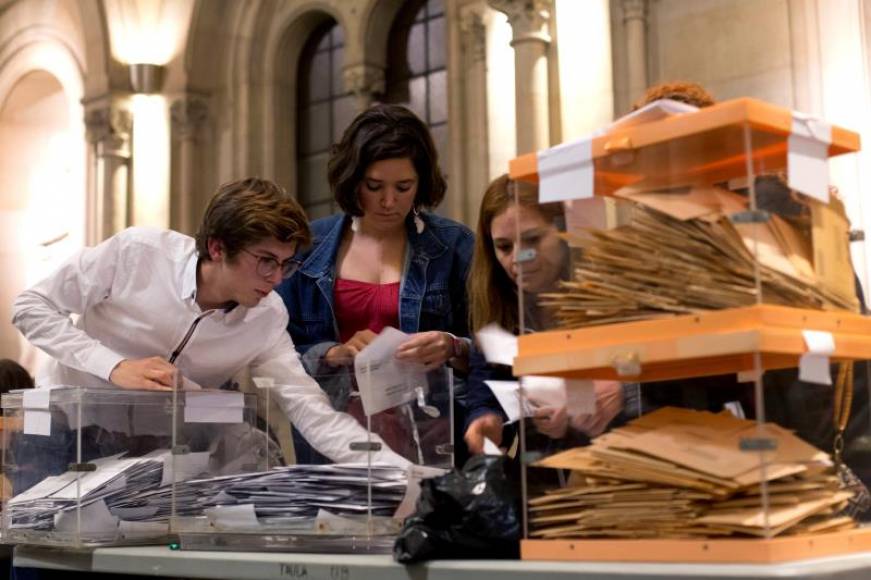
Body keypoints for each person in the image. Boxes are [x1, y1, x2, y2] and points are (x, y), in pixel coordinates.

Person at [11, 177, 408, 467]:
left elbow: (309, 409)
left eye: (287, 264)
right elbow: (30, 306)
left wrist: (400, 473)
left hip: (156, 450)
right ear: (218, 248)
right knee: (41, 560)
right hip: (64, 426)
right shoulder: (138, 253)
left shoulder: (268, 317)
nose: (277, 279)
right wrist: (114, 367)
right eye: (265, 261)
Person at [276, 104, 474, 464]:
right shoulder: (306, 249)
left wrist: (453, 346)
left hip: (431, 439)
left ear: (422, 182)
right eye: (374, 186)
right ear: (353, 180)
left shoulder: (455, 246)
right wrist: (330, 355)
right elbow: (271, 352)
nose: (388, 201)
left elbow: (495, 350)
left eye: (403, 187)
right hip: (334, 440)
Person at [463, 175, 623, 455]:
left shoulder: (612, 297)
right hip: (538, 473)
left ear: (565, 231)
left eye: (533, 240)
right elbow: (485, 383)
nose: (518, 259)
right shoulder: (498, 305)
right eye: (503, 247)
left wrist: (621, 392)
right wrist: (485, 417)